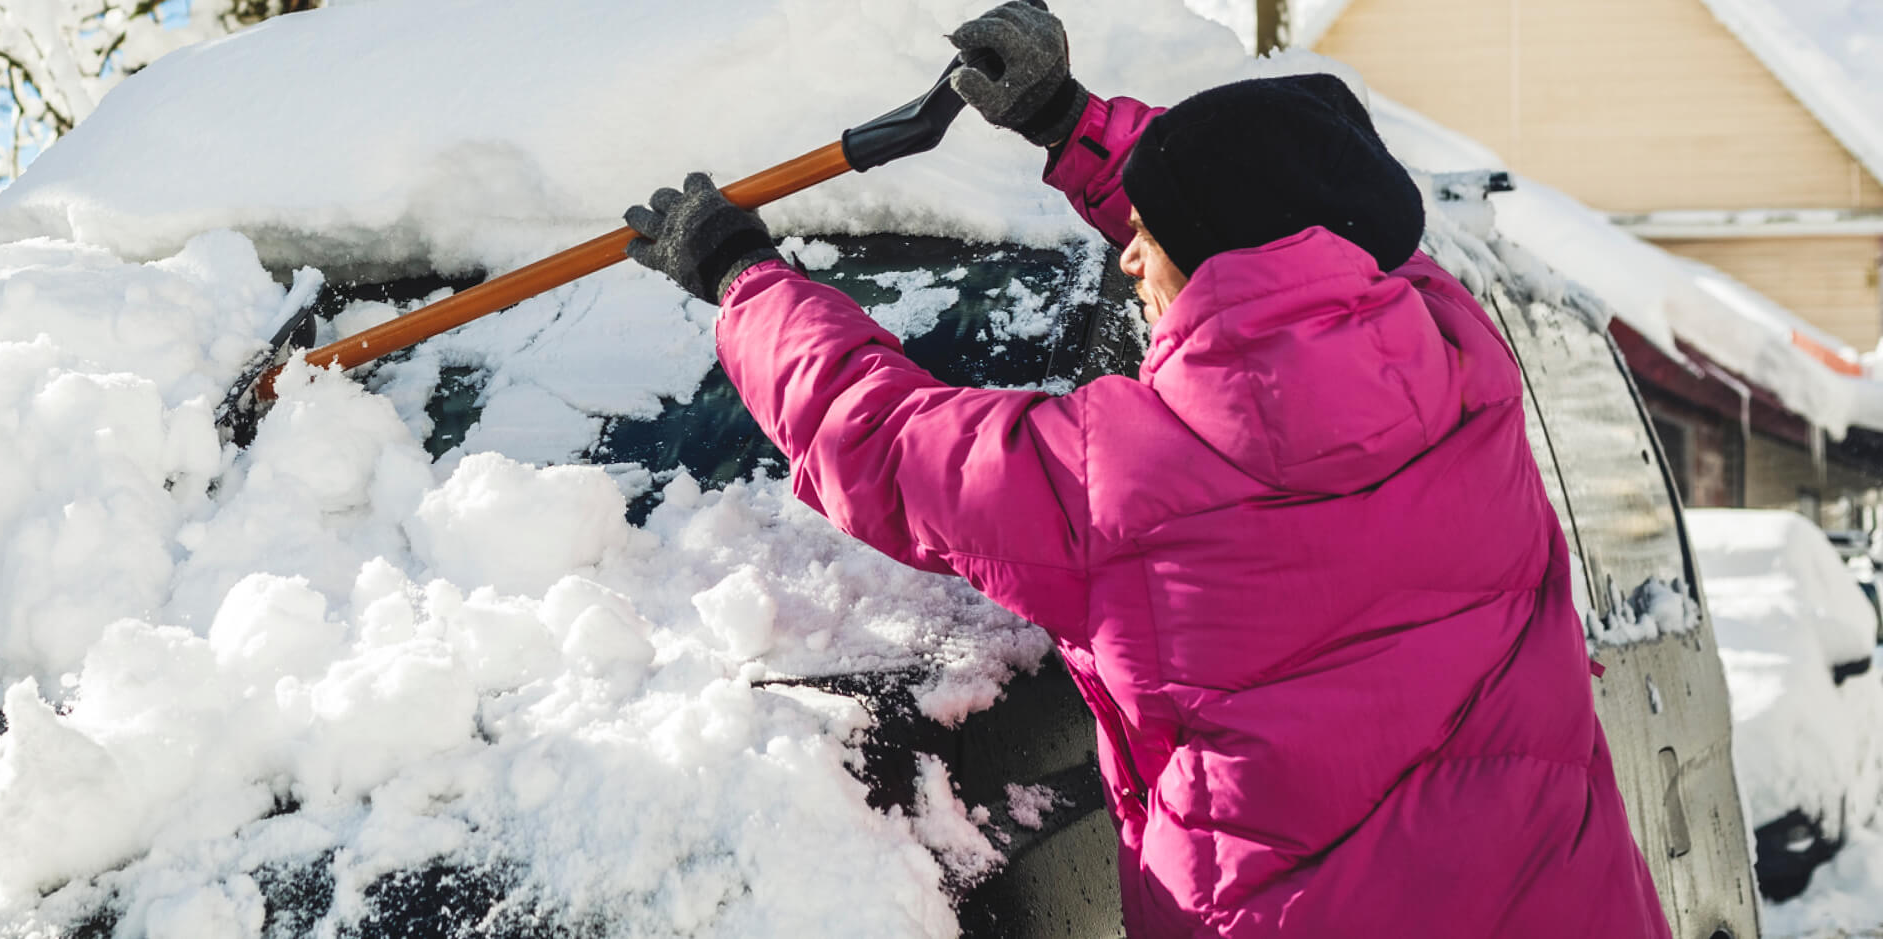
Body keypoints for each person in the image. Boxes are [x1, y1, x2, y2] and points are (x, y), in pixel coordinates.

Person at [620, 3, 1673, 936]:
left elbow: (879, 440)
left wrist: (740, 278)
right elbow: (1285, 210)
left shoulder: (1119, 477)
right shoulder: (1457, 356)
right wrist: (1066, 122)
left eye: (1148, 239)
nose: (1127, 257)